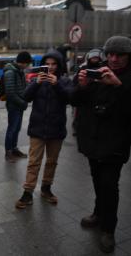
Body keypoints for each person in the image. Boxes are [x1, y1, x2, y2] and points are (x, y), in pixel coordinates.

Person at [71, 36, 131, 253]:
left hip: (115, 144)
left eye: (120, 55)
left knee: (109, 186)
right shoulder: (98, 72)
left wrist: (118, 86)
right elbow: (75, 100)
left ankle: (108, 229)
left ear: (128, 56)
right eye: (110, 54)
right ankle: (98, 213)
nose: (114, 59)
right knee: (98, 181)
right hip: (93, 142)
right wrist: (83, 86)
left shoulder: (125, 78)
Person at [15, 51, 73, 209]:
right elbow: (25, 97)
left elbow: (70, 98)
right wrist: (36, 83)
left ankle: (46, 188)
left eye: (54, 64)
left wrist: (57, 84)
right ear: (43, 65)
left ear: (59, 65)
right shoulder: (37, 80)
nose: (51, 67)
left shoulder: (65, 81)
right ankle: (27, 193)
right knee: (33, 162)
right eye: (47, 64)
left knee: (52, 162)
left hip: (57, 128)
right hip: (37, 128)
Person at [3, 51, 32, 161]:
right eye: (28, 63)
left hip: (19, 105)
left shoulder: (19, 71)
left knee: (17, 128)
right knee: (12, 129)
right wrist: (23, 102)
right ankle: (8, 152)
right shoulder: (10, 72)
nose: (28, 66)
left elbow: (22, 88)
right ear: (23, 62)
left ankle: (14, 148)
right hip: (14, 106)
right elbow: (10, 93)